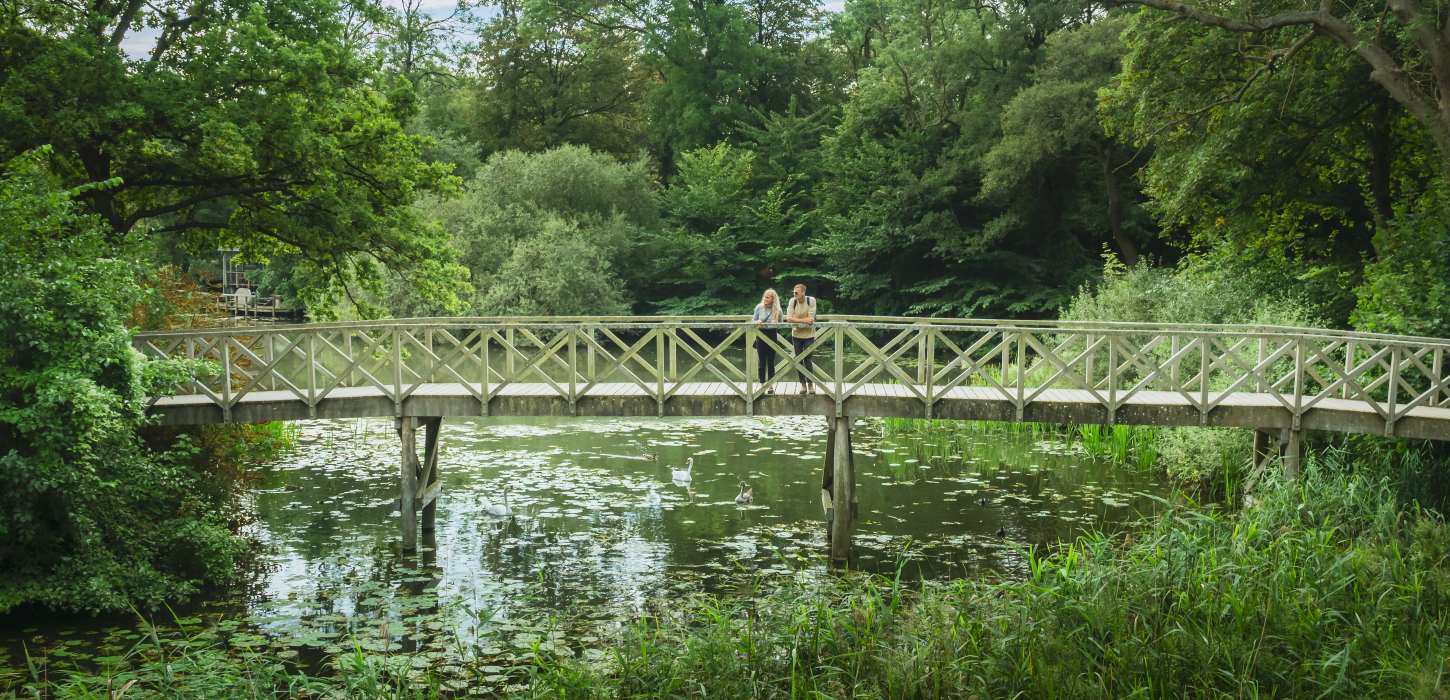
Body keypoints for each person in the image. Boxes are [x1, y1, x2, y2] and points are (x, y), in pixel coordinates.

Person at [786, 283, 817, 394]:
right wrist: (804, 320)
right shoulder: (792, 301)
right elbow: (789, 318)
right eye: (793, 292)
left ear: (803, 292)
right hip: (796, 335)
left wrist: (796, 319)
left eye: (796, 293)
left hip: (809, 335)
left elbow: (811, 319)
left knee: (808, 360)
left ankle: (810, 384)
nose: (794, 294)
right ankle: (802, 384)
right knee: (798, 360)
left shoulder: (811, 300)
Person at [752, 288, 783, 392]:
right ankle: (761, 384)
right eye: (765, 296)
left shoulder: (778, 310)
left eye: (768, 297)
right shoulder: (759, 307)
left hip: (772, 335)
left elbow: (782, 323)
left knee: (770, 362)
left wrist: (776, 323)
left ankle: (770, 386)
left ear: (773, 299)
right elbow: (753, 320)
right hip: (760, 335)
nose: (765, 298)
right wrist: (757, 321)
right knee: (761, 362)